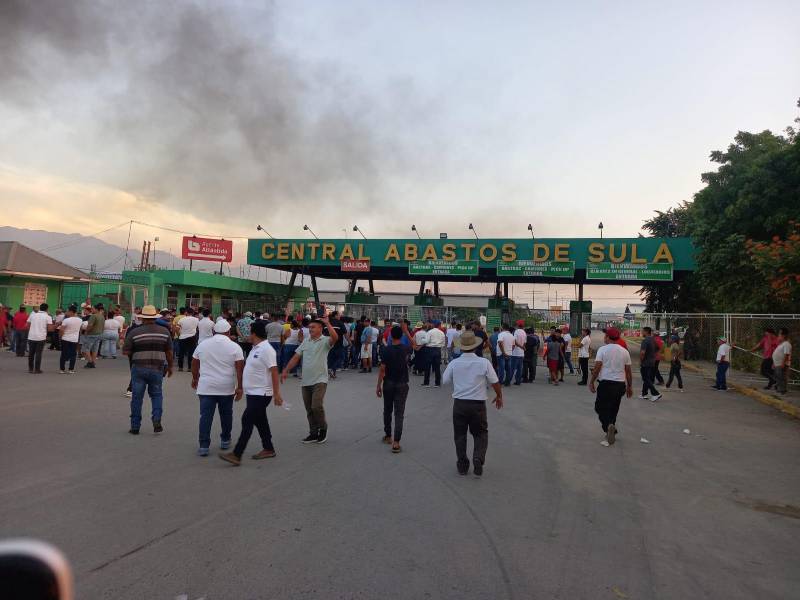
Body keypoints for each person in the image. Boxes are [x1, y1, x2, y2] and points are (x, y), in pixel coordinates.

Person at [219, 319, 284, 466]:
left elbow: (274, 372)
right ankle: (268, 448)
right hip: (254, 392)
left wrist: (277, 394)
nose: (247, 334)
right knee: (260, 421)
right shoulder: (256, 347)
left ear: (254, 333)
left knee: (247, 419)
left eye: (249, 331)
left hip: (262, 393)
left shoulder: (267, 349)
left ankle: (237, 454)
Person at [442, 330, 503, 477]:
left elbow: (445, 380)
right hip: (478, 405)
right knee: (481, 433)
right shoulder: (484, 362)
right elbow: (495, 382)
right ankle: (478, 457)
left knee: (460, 435)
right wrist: (499, 395)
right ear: (476, 347)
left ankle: (462, 465)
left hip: (460, 404)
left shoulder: (454, 363)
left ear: (461, 347)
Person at [281, 316, 339, 444]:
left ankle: (323, 430)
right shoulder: (306, 341)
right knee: (309, 409)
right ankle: (313, 433)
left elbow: (335, 338)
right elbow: (296, 357)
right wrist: (286, 370)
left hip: (320, 379)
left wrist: (328, 323)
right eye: (310, 327)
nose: (310, 329)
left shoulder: (325, 341)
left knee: (316, 406)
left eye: (313, 327)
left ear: (320, 328)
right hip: (306, 381)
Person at [192, 319, 245, 456]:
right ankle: (225, 440)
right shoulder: (235, 347)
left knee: (205, 416)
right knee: (226, 414)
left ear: (214, 331)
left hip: (206, 387)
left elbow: (194, 362)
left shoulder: (203, 345)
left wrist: (195, 378)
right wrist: (239, 387)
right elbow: (240, 370)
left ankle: (204, 446)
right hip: (226, 387)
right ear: (228, 332)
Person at [122, 305, 174, 435]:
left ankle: (135, 427)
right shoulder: (164, 331)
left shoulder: (134, 332)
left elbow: (125, 351)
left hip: (138, 368)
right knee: (156, 395)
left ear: (142, 318)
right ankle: (156, 419)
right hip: (157, 368)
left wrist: (135, 352)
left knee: (137, 398)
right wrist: (171, 366)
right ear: (155, 317)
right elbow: (169, 352)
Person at [588, 327, 633, 447]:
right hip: (620, 385)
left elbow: (597, 367)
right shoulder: (624, 351)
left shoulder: (602, 350)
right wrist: (629, 387)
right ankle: (611, 427)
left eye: (605, 336)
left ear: (608, 337)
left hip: (606, 383)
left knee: (599, 407)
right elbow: (628, 371)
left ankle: (608, 426)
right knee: (614, 408)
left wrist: (592, 381)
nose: (604, 337)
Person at [376, 322, 413, 453]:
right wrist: (407, 332)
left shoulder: (386, 350)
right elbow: (415, 345)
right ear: (401, 335)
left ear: (391, 336)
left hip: (389, 383)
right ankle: (396, 442)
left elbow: (382, 370)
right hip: (402, 383)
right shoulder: (406, 349)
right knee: (399, 413)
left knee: (387, 409)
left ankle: (388, 435)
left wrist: (378, 386)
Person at [26, 303, 53, 374]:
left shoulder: (32, 315)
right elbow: (50, 329)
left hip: (31, 336)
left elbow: (27, 325)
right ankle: (37, 369)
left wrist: (32, 331)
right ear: (47, 309)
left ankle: (30, 369)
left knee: (31, 353)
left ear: (40, 308)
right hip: (41, 337)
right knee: (38, 353)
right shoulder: (48, 317)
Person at [639, 327, 662, 401]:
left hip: (645, 363)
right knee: (647, 378)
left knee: (646, 379)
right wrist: (652, 355)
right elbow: (658, 348)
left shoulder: (645, 341)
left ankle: (655, 393)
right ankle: (644, 394)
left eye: (642, 331)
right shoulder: (653, 340)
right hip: (652, 362)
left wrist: (641, 361)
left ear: (646, 332)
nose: (642, 333)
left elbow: (642, 353)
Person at [58, 306, 82, 374]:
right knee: (73, 354)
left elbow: (61, 330)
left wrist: (60, 337)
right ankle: (71, 369)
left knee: (63, 354)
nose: (66, 312)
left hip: (65, 339)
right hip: (74, 339)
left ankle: (62, 369)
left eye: (68, 311)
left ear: (71, 312)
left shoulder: (66, 320)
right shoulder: (80, 320)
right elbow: (80, 330)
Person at [81, 303, 105, 368]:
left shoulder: (93, 316)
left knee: (86, 348)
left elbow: (90, 325)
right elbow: (103, 326)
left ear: (96, 309)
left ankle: (90, 362)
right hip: (99, 334)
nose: (92, 310)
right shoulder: (102, 316)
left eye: (93, 308)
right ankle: (93, 362)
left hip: (92, 334)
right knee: (95, 349)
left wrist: (86, 331)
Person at [424, 319, 446, 387]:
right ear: (439, 325)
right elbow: (443, 343)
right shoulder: (442, 333)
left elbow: (426, 341)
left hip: (429, 350)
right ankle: (437, 383)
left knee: (427, 367)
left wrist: (422, 340)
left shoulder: (429, 332)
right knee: (437, 367)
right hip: (437, 350)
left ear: (433, 325)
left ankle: (426, 383)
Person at [771, 328, 791, 395]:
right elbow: (777, 353)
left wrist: (783, 363)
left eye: (779, 334)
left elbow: (786, 354)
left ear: (783, 335)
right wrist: (774, 363)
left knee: (781, 377)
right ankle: (779, 388)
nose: (778, 335)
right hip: (777, 364)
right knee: (777, 376)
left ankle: (783, 390)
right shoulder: (781, 344)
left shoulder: (786, 344)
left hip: (781, 364)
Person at [510, 320, 526, 385]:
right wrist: (523, 347)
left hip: (515, 353)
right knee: (519, 368)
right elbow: (525, 342)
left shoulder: (516, 331)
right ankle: (518, 381)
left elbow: (515, 341)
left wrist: (520, 347)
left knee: (512, 368)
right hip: (521, 354)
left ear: (517, 325)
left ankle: (508, 380)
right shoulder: (524, 332)